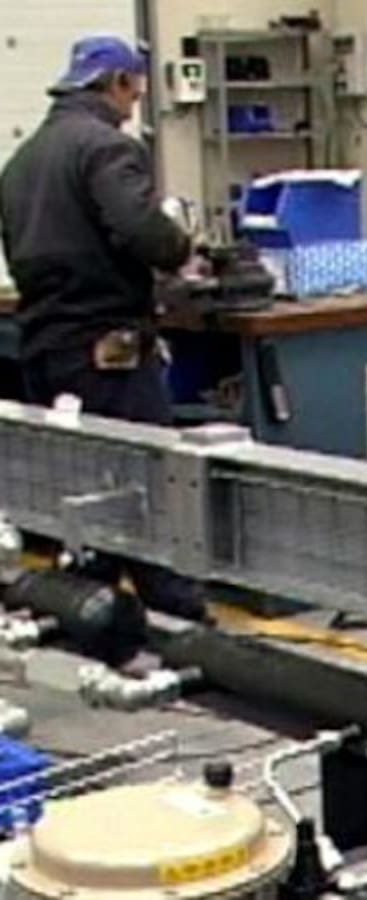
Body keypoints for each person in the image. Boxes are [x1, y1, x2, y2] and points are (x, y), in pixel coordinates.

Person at [0, 35, 207, 622]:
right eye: (134, 93)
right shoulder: (107, 147)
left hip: (45, 348)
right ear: (117, 82)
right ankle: (186, 624)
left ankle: (94, 616)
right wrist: (181, 251)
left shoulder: (23, 161)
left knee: (83, 487)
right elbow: (140, 228)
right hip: (107, 350)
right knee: (149, 483)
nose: (134, 105)